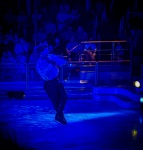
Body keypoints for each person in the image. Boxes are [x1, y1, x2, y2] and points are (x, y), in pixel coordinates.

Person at [36, 43, 68, 125]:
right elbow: (44, 76)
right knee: (56, 102)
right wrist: (50, 65)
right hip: (49, 84)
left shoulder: (51, 56)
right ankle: (61, 117)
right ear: (41, 52)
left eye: (47, 49)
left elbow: (62, 63)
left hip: (56, 80)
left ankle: (58, 116)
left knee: (64, 97)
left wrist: (61, 60)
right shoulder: (39, 63)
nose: (48, 51)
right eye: (46, 50)